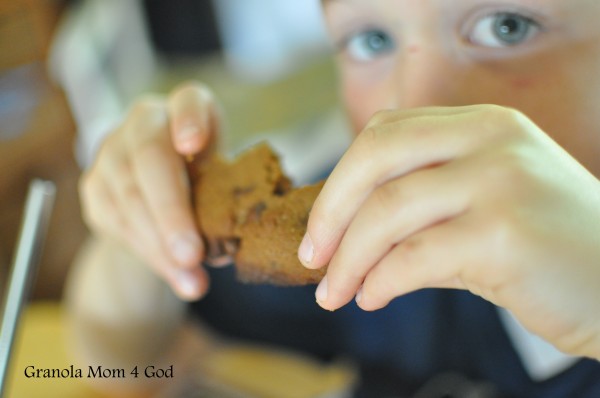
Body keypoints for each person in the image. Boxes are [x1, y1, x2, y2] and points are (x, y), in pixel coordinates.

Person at [66, 0, 600, 396]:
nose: (413, 103)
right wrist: (146, 237)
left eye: (509, 27)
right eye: (371, 40)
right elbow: (120, 368)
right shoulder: (354, 225)